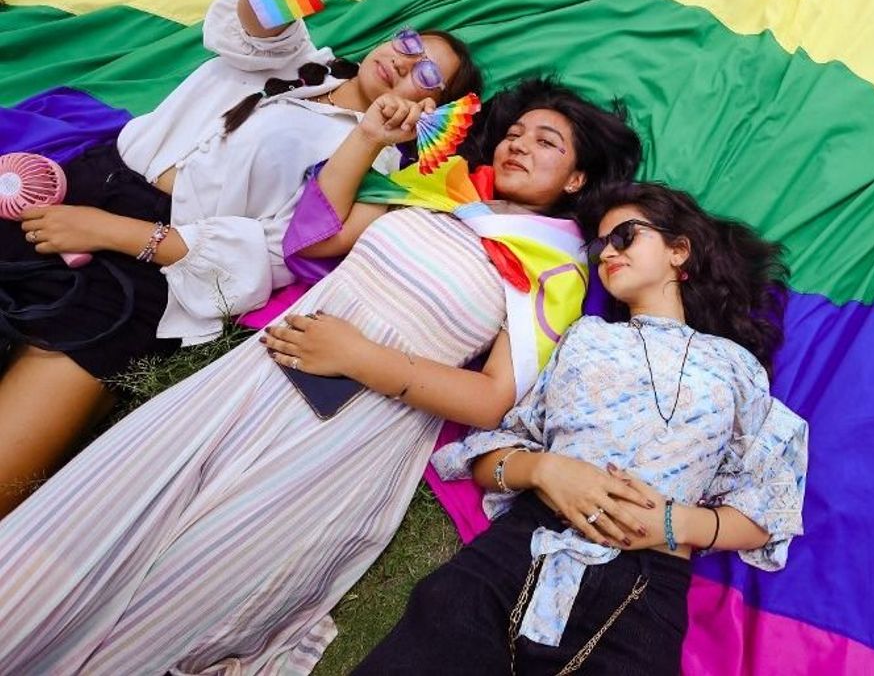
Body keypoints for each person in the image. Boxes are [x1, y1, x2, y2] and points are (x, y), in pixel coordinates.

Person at [0, 80, 640, 674]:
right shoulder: (440, 193)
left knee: (196, 576)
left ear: (578, 178)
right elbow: (313, 238)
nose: (519, 144)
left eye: (546, 142)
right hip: (258, 376)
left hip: (354, 421)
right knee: (108, 508)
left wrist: (359, 357)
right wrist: (366, 136)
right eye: (516, 132)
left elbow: (492, 397)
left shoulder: (555, 270)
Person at [0, 0, 483, 516]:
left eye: (426, 76)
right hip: (91, 183)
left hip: (153, 269)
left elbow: (278, 255)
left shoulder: (377, 175)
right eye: (409, 46)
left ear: (431, 108)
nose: (404, 65)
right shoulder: (297, 57)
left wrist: (113, 233)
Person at [355, 182, 809, 675]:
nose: (608, 252)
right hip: (518, 551)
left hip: (643, 595)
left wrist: (676, 524)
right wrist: (545, 469)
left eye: (626, 236)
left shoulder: (736, 366)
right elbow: (493, 453)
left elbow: (770, 502)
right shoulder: (584, 337)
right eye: (599, 245)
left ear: (680, 251)